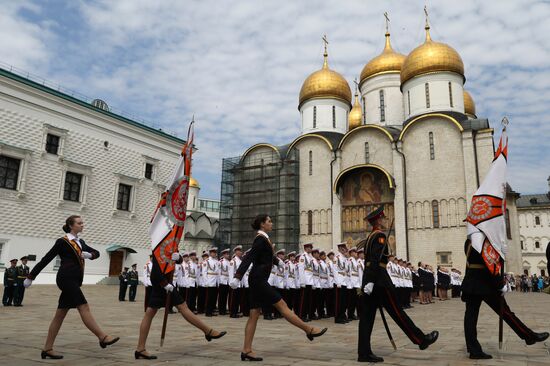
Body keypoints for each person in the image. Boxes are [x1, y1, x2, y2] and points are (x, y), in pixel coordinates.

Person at [230, 214, 327, 361]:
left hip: (257, 279)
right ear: (262, 224)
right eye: (269, 221)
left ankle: (246, 350)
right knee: (282, 305)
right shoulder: (260, 239)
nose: (272, 223)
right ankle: (309, 330)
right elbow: (250, 257)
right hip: (259, 280)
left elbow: (265, 256)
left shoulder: (263, 239)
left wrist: (277, 262)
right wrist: (237, 276)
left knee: (254, 314)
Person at [24, 215, 120, 359]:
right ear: (71, 225)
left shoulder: (80, 242)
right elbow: (46, 259)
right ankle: (102, 337)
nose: (83, 225)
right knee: (84, 307)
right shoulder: (63, 242)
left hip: (74, 280)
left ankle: (47, 349)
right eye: (79, 223)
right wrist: (31, 276)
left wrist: (90, 255)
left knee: (60, 315)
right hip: (65, 278)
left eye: (82, 223)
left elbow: (98, 253)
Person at [358, 207, 439, 363]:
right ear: (378, 221)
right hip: (380, 281)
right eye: (383, 219)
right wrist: (372, 281)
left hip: (371, 280)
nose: (384, 221)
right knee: (397, 312)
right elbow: (375, 260)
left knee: (366, 318)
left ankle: (363, 353)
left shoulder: (370, 237)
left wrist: (367, 282)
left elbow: (370, 261)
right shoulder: (380, 236)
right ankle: (421, 340)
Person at [461, 238, 549, 359]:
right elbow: (490, 265)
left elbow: (471, 263)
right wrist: (500, 284)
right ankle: (528, 336)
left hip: (471, 282)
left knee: (470, 317)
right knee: (506, 313)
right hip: (485, 283)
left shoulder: (470, 241)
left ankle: (473, 350)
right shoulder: (483, 241)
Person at [134, 249, 227, 359]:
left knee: (154, 312)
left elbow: (178, 262)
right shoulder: (159, 244)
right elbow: (155, 272)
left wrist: (178, 258)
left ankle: (140, 349)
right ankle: (208, 331)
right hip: (162, 285)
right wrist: (164, 284)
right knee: (180, 308)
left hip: (166, 284)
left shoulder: (171, 242)